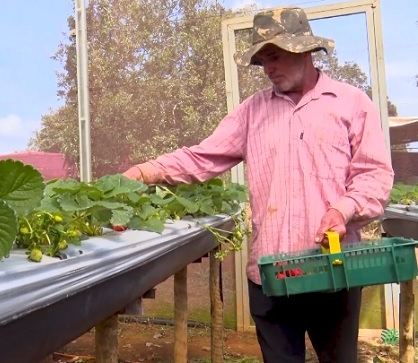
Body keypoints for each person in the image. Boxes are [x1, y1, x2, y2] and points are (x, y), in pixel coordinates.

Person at [122, 6, 394, 363]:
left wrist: (343, 210)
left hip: (330, 269)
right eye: (262, 60)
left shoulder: (351, 104)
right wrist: (146, 172)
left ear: (305, 51)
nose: (268, 68)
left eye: (275, 56)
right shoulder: (253, 111)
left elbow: (375, 175)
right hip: (270, 273)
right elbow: (205, 156)